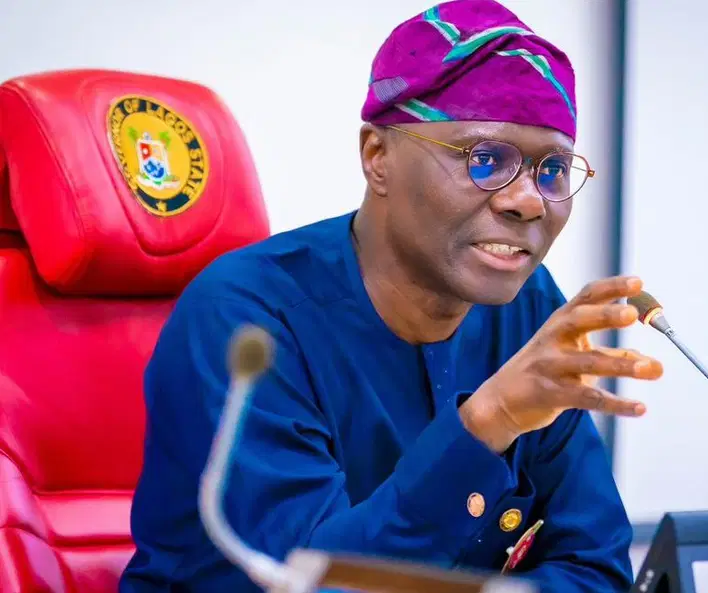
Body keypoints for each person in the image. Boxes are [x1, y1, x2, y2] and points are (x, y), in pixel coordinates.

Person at [120, 1, 663, 592]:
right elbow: (308, 585)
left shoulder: (529, 309)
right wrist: (488, 422)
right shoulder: (248, 320)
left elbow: (597, 569)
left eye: (553, 170)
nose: (529, 201)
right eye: (485, 160)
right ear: (377, 158)